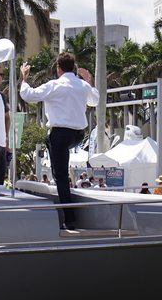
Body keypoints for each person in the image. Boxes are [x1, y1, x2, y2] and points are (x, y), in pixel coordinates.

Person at [20, 53, 99, 230]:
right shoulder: (82, 85)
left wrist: (24, 78)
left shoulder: (55, 85)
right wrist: (90, 81)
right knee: (58, 157)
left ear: (58, 69)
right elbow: (95, 101)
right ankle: (68, 204)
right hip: (78, 134)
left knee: (61, 176)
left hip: (61, 134)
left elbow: (28, 95)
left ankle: (69, 218)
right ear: (73, 67)